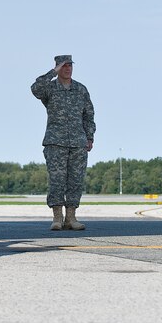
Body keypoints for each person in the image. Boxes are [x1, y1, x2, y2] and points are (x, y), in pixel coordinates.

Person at [30, 55, 96, 231]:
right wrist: (52, 72)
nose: (68, 69)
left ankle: (71, 218)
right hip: (55, 142)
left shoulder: (80, 89)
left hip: (77, 142)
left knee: (76, 180)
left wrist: (89, 137)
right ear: (58, 67)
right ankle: (57, 217)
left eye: (70, 66)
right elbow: (35, 89)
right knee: (57, 180)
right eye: (64, 66)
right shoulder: (50, 88)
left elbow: (89, 115)